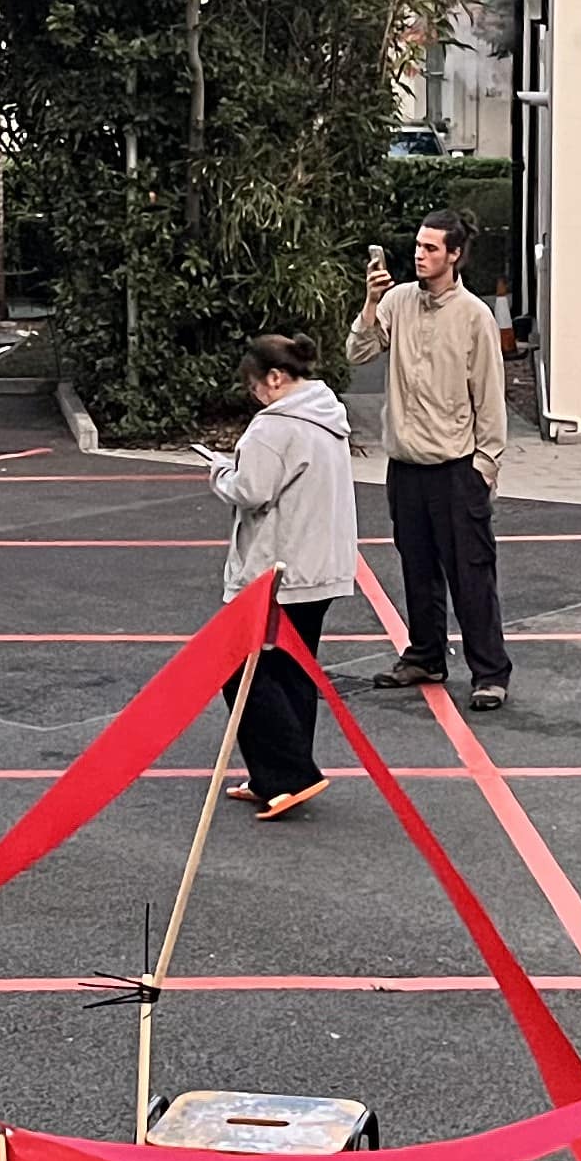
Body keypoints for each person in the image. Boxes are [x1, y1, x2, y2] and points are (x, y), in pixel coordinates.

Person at [348, 210, 511, 710]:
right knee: (417, 567)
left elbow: (489, 394)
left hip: (456, 466)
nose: (420, 255)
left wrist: (486, 464)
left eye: (432, 248)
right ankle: (425, 655)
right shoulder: (397, 302)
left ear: (455, 255)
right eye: (418, 246)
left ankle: (489, 672)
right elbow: (357, 353)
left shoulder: (474, 316)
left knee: (470, 572)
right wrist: (371, 303)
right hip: (406, 466)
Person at [206, 334, 360, 817]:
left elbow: (249, 490)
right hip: (320, 564)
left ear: (274, 379)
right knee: (293, 667)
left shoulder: (272, 428)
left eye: (255, 385)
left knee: (242, 668)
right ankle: (277, 773)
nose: (254, 395)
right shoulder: (327, 415)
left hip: (279, 568)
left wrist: (218, 471)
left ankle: (289, 773)